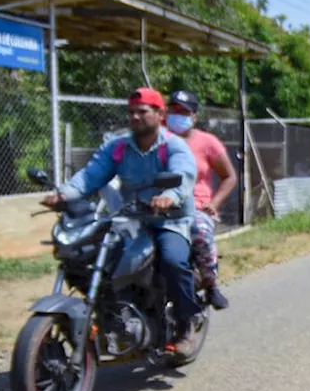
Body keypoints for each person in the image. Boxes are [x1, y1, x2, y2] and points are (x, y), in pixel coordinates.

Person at [40, 87, 206, 355]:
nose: (136, 117)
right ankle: (113, 313)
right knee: (95, 257)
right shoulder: (117, 148)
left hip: (169, 220)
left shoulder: (174, 146)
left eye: (142, 111)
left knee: (173, 260)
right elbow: (90, 175)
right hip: (129, 218)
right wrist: (64, 194)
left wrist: (169, 196)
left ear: (160, 114)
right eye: (131, 112)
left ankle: (187, 322)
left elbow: (184, 174)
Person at [166, 89, 237, 311]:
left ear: (194, 117)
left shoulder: (207, 142)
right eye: (173, 110)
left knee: (199, 230)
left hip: (195, 207)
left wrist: (214, 204)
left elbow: (229, 177)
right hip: (160, 205)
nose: (177, 115)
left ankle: (210, 283)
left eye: (183, 112)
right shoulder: (158, 139)